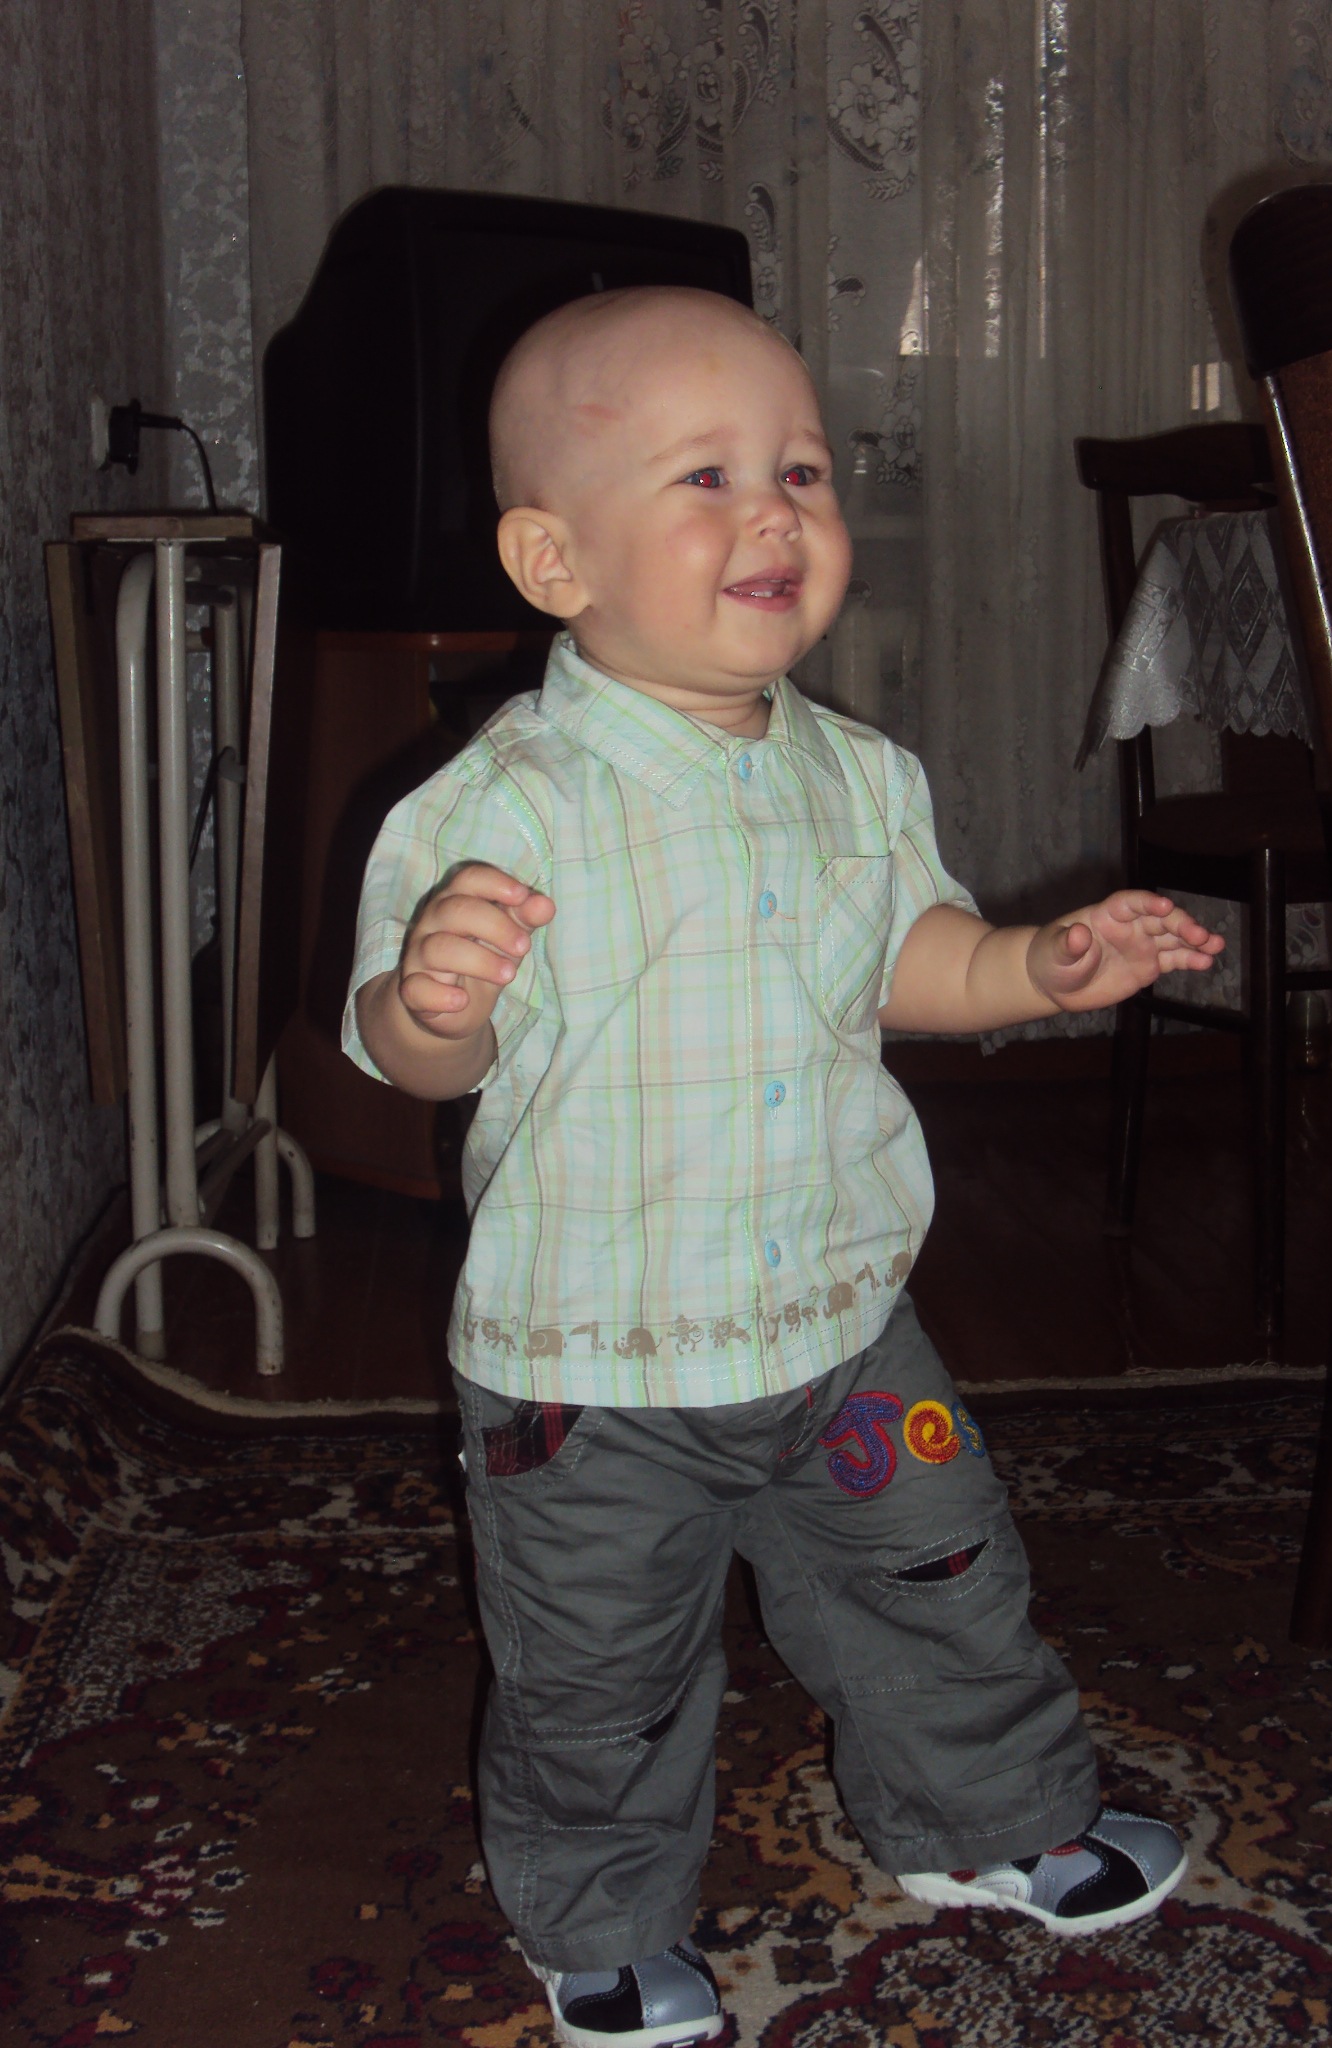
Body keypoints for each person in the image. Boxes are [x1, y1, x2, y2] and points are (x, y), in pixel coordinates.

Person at [345, 285, 1223, 2048]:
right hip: (590, 1370)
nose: (776, 514)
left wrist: (1038, 966)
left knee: (943, 1579)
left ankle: (988, 1819)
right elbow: (406, 1054)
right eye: (707, 477)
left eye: (802, 471)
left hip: (840, 1323)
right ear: (553, 559)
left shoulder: (861, 777)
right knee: (598, 1671)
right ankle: (603, 1922)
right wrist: (436, 998)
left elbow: (915, 961)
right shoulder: (500, 805)